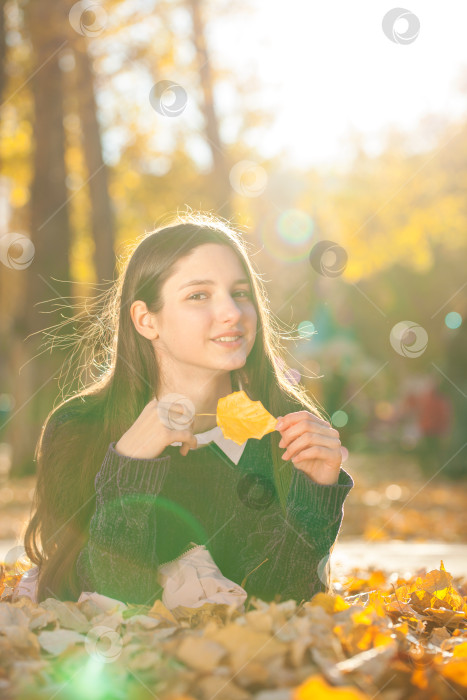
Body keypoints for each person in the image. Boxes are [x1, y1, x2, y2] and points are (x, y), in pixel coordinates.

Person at [23, 212, 354, 606]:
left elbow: (289, 600)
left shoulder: (286, 429)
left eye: (241, 292)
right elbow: (106, 597)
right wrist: (130, 464)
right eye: (199, 295)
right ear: (147, 320)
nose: (232, 312)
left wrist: (315, 495)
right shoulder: (78, 428)